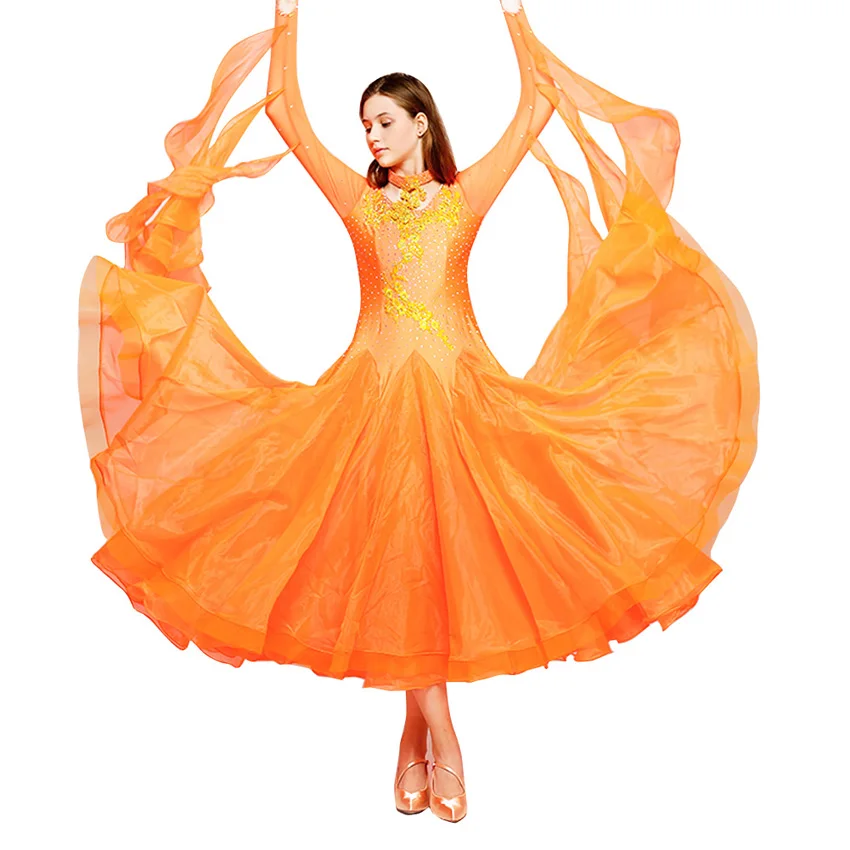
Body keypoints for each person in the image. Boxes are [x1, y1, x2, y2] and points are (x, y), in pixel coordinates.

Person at [78, 0, 759, 825]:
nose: (370, 135)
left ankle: (413, 737)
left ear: (421, 124)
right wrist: (286, 19)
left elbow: (535, 106)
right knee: (403, 560)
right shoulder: (360, 204)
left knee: (431, 564)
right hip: (369, 407)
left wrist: (515, 16)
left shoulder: (463, 199)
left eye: (384, 121)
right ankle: (443, 739)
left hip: (464, 401)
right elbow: (287, 114)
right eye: (365, 124)